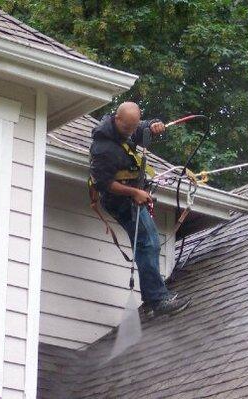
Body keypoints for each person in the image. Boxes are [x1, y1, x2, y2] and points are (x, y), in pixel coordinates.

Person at [89, 102, 190, 316]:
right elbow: (102, 184)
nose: (132, 133)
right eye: (128, 129)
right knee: (149, 242)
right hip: (120, 200)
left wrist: (154, 125)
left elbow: (144, 126)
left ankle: (152, 297)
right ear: (117, 120)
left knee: (147, 243)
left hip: (132, 195)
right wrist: (135, 193)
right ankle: (157, 300)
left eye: (134, 128)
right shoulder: (103, 147)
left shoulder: (128, 128)